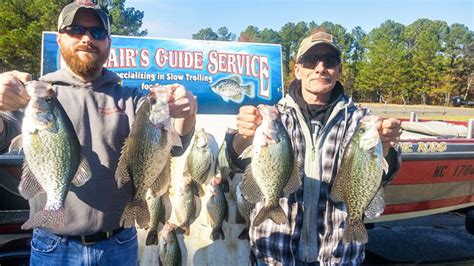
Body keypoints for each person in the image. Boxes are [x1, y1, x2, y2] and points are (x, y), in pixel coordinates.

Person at [0, 2, 197, 265]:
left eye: (97, 33)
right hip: (53, 245)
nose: (87, 38)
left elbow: (174, 145)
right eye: (76, 30)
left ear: (108, 42)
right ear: (60, 38)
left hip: (118, 243)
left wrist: (188, 112)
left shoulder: (133, 98)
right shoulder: (36, 94)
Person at [225, 30, 402, 265]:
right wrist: (243, 138)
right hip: (274, 253)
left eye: (329, 61)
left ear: (339, 71)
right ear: (297, 70)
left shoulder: (361, 121)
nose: (320, 68)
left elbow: (385, 174)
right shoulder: (272, 117)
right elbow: (233, 161)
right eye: (310, 61)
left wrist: (387, 145)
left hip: (339, 255)